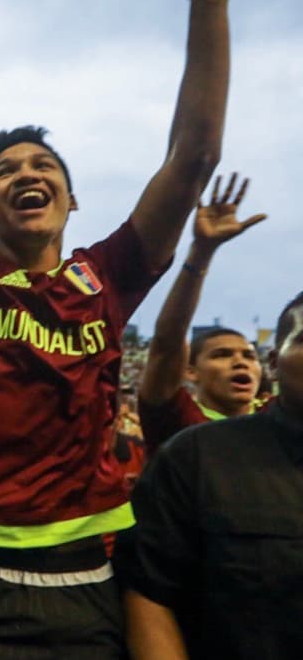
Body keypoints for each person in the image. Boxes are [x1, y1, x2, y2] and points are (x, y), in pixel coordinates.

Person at [0, 0, 234, 655]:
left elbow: (193, 156)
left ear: (72, 200)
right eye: (4, 171)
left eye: (44, 166)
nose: (27, 173)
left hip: (87, 588)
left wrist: (209, 5)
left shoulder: (108, 274)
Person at [118, 291, 303, 659]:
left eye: (243, 355)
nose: (237, 364)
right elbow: (148, 593)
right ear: (273, 363)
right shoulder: (194, 455)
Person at [137, 173, 266, 453]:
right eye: (221, 355)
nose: (240, 362)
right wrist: (201, 252)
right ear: (191, 372)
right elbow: (167, 342)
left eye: (249, 356)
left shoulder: (279, 424)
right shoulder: (177, 420)